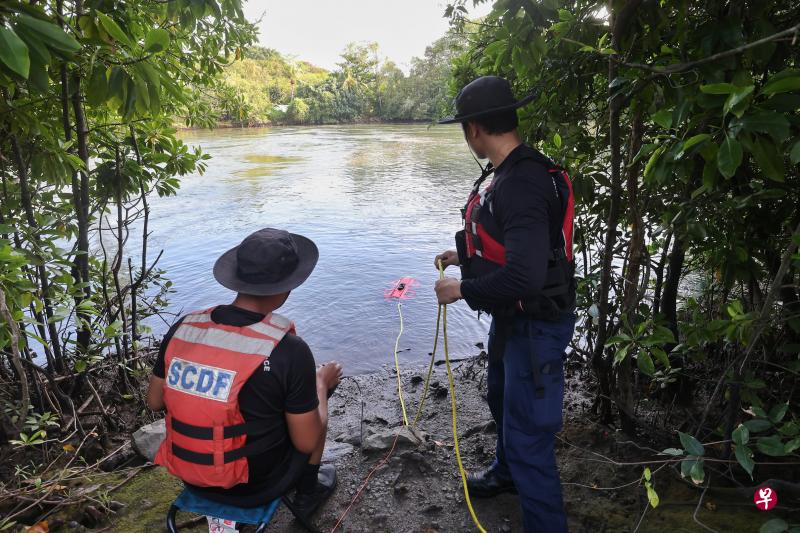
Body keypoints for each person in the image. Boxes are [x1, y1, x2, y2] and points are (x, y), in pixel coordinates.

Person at [434, 76, 576, 532]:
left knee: (531, 432)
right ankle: (506, 473)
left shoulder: (522, 183)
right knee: (500, 397)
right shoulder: (509, 172)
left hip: (537, 325)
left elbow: (526, 275)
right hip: (513, 319)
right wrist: (466, 256)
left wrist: (462, 289)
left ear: (474, 129)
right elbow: (523, 248)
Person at [146, 227, 342, 520]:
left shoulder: (184, 328)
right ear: (288, 287)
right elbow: (307, 442)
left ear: (237, 278)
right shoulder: (290, 350)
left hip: (191, 475)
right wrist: (321, 384)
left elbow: (155, 401)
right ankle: (307, 493)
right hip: (256, 487)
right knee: (313, 409)